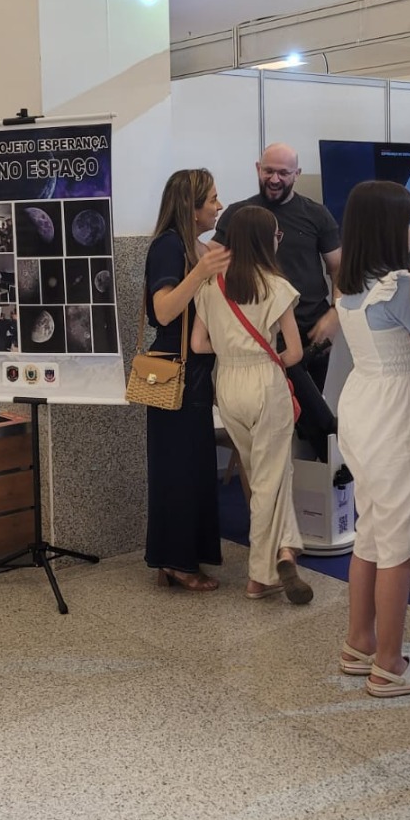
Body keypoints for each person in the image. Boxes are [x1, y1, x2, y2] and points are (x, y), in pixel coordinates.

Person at [334, 181, 410, 696]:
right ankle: (389, 664)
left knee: (373, 530)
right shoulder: (399, 287)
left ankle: (358, 643)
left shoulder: (349, 286)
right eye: (408, 219)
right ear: (388, 228)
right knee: (397, 540)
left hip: (361, 404)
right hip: (398, 413)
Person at [193, 205, 311, 605]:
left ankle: (286, 550)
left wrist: (232, 352)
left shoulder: (210, 286)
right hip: (265, 381)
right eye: (277, 235)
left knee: (265, 475)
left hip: (226, 384)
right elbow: (293, 351)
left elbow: (198, 345)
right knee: (269, 479)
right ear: (266, 240)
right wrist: (268, 360)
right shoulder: (275, 286)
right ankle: (259, 577)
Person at [212, 142, 339, 455]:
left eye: (284, 172)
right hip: (264, 340)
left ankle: (324, 485)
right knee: (299, 427)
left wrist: (336, 312)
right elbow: (211, 262)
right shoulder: (237, 214)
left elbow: (339, 268)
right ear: (258, 168)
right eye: (269, 171)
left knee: (309, 422)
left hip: (313, 332)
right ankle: (333, 469)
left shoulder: (316, 214)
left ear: (296, 174)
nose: (275, 178)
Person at [143, 169, 231, 592]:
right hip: (171, 370)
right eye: (212, 199)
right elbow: (162, 311)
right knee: (176, 469)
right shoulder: (168, 247)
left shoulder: (196, 246)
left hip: (193, 372)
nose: (218, 205)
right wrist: (200, 272)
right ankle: (176, 562)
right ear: (191, 208)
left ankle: (179, 557)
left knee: (194, 467)